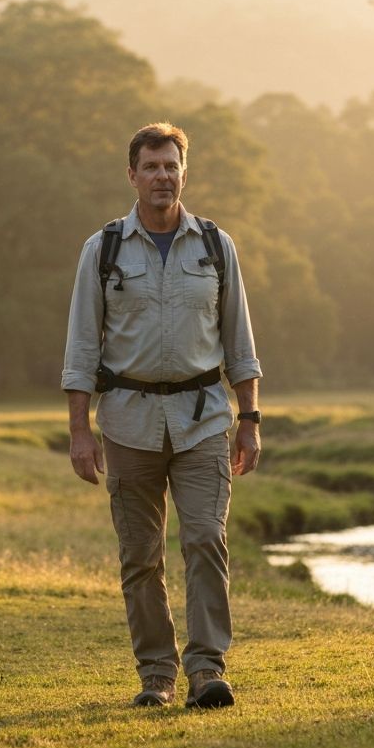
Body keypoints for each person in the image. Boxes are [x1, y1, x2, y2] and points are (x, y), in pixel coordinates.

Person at [61, 122, 263, 708]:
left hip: (203, 419)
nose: (161, 176)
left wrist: (249, 420)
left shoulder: (215, 246)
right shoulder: (102, 250)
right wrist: (79, 431)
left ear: (183, 172)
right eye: (151, 166)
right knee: (140, 557)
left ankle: (207, 671)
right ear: (132, 174)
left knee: (205, 538)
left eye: (171, 166)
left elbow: (240, 342)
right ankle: (156, 676)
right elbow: (81, 347)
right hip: (127, 422)